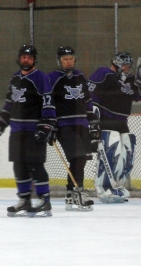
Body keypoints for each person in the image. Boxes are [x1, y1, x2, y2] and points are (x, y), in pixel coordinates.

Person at [88, 53, 141, 203]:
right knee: (112, 153)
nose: (127, 68)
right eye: (124, 65)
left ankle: (117, 186)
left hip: (122, 121)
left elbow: (138, 95)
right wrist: (93, 119)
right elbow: (91, 94)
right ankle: (104, 187)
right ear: (117, 63)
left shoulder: (128, 80)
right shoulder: (104, 73)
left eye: (128, 66)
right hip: (106, 119)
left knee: (127, 155)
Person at [0, 44, 56, 217]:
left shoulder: (40, 77)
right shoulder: (15, 78)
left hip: (34, 130)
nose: (26, 59)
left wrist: (46, 125)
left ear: (34, 60)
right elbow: (9, 104)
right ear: (19, 58)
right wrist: (2, 123)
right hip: (17, 130)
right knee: (19, 165)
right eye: (24, 56)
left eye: (30, 57)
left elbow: (48, 102)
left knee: (35, 164)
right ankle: (24, 199)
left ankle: (44, 200)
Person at [48, 46, 100, 211]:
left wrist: (92, 123)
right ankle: (78, 193)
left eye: (71, 58)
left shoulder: (80, 76)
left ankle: (71, 194)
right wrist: (51, 125)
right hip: (64, 125)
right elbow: (48, 103)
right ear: (59, 61)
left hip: (82, 124)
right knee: (77, 157)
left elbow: (87, 101)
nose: (68, 61)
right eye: (65, 59)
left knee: (82, 158)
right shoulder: (53, 78)